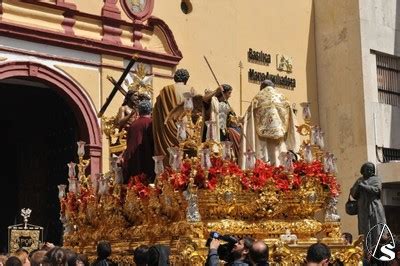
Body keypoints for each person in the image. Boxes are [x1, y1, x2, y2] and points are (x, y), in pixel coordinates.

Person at [239, 79, 299, 167]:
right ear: (273, 87)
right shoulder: (282, 98)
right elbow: (292, 120)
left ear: (262, 87)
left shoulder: (258, 98)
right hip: (280, 136)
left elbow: (249, 118)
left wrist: (241, 121)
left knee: (265, 157)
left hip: (262, 139)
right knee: (279, 158)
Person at [153, 69, 198, 161]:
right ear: (186, 79)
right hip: (187, 126)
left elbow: (157, 111)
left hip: (168, 127)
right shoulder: (191, 90)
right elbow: (196, 111)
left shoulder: (166, 90)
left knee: (171, 152)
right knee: (188, 153)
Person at [350, 162, 386, 251]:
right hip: (363, 209)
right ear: (363, 171)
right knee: (364, 231)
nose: (369, 171)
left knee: (376, 229)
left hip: (375, 208)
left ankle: (377, 251)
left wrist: (364, 186)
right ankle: (366, 253)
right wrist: (357, 188)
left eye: (371, 169)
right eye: (367, 169)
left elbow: (377, 190)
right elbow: (353, 194)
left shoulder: (376, 179)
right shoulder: (359, 180)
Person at [203, 84, 241, 157]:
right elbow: (204, 99)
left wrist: (236, 121)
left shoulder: (227, 104)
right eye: (229, 93)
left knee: (223, 150)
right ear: (223, 93)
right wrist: (216, 91)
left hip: (223, 131)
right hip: (214, 129)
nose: (230, 95)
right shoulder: (213, 100)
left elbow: (233, 118)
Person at [122, 100, 155, 183]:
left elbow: (128, 142)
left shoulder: (133, 124)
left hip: (132, 160)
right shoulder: (151, 123)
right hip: (147, 159)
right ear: (151, 110)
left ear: (139, 111)